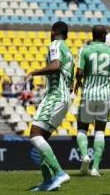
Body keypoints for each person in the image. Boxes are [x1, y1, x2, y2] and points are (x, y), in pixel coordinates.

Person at [24, 21, 74, 191]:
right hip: (64, 97)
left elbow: (56, 66)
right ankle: (47, 181)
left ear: (54, 32)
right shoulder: (69, 52)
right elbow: (71, 82)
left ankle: (59, 173)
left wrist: (33, 72)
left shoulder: (55, 44)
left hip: (55, 96)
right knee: (41, 139)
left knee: (34, 134)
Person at [74, 25, 110, 177]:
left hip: (88, 94)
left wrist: (79, 82)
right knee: (100, 130)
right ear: (104, 36)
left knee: (82, 128)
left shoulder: (85, 50)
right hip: (105, 95)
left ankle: (85, 156)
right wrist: (109, 84)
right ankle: (95, 168)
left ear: (93, 35)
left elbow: (79, 72)